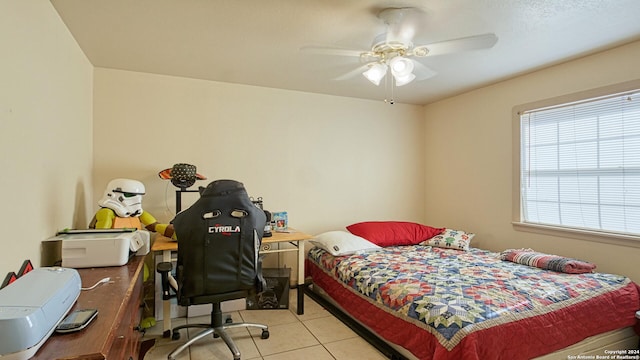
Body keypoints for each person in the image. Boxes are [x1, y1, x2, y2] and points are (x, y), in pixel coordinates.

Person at [89, 178, 174, 238]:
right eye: (130, 195)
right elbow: (100, 237)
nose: (137, 199)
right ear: (113, 194)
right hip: (114, 250)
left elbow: (155, 226)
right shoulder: (106, 213)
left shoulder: (137, 213)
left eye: (139, 196)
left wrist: (175, 232)